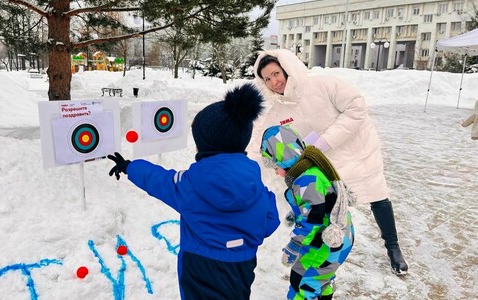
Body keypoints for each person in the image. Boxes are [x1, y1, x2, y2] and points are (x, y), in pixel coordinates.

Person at [107, 83, 280, 300]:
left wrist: (129, 166)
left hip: (199, 266)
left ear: (206, 148)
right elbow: (271, 221)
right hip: (242, 266)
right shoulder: (255, 184)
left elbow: (158, 180)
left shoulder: (189, 185)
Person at [249, 49, 408, 276]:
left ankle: (393, 247)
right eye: (267, 78)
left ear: (287, 69)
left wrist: (323, 142)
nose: (274, 81)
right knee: (326, 209)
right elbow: (268, 142)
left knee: (378, 197)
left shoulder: (324, 84)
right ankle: (321, 259)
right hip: (325, 165)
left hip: (358, 151)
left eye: (276, 73)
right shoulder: (277, 112)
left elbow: (356, 108)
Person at [260, 125, 355, 300]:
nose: (276, 172)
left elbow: (312, 218)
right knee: (319, 279)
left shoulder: (305, 180)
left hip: (325, 241)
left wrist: (294, 246)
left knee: (302, 280)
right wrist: (297, 214)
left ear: (284, 158)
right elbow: (317, 205)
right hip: (338, 235)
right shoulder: (310, 169)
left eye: (275, 166)